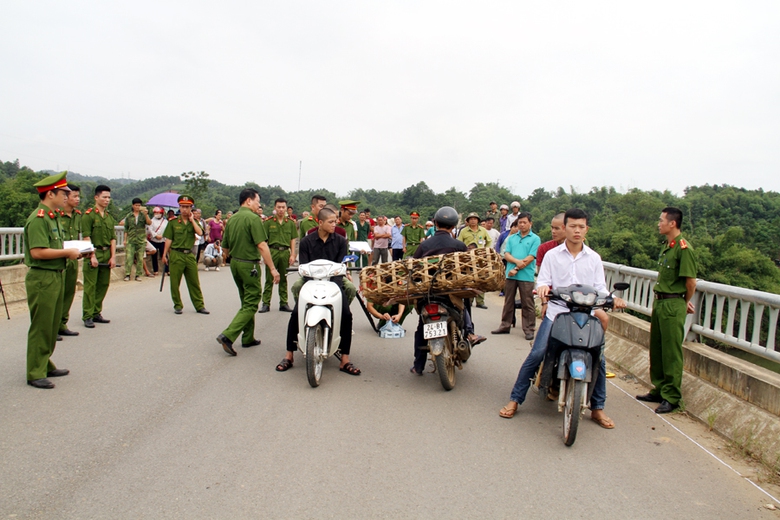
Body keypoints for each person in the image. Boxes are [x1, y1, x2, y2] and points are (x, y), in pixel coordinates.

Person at [498, 208, 625, 430]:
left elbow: (600, 289)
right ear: (565, 228)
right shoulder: (551, 256)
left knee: (599, 358)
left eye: (581, 226)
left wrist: (613, 300)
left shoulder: (594, 258)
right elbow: (542, 281)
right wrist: (544, 288)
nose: (577, 231)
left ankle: (598, 408)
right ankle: (515, 399)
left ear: (587, 229)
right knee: (537, 353)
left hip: (587, 315)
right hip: (558, 312)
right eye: (573, 226)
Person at [276, 207, 360, 375]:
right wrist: (313, 282)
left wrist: (335, 285)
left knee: (347, 314)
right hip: (311, 280)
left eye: (335, 221)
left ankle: (345, 359)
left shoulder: (340, 241)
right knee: (295, 312)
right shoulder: (307, 242)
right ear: (320, 223)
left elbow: (340, 268)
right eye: (331, 222)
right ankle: (289, 354)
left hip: (334, 280)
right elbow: (304, 267)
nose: (334, 225)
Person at [410, 206, 486, 375]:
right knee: (465, 302)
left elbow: (414, 268)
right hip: (450, 292)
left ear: (435, 223)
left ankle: (418, 365)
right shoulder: (459, 245)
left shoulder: (425, 245)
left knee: (421, 327)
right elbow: (467, 269)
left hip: (428, 294)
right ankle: (469, 332)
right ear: (453, 226)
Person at [637, 207, 698, 414]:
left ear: (672, 223)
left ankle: (671, 396)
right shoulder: (668, 247)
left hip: (673, 304)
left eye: (661, 220)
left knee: (671, 351)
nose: (659, 223)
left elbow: (690, 282)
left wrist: (683, 301)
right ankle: (660, 388)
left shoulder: (683, 249)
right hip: (661, 301)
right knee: (657, 347)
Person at [24, 172, 81, 388]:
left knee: (51, 324)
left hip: (55, 275)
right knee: (41, 325)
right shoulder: (39, 218)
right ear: (50, 194)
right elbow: (37, 252)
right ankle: (35, 372)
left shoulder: (52, 216)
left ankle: (44, 364)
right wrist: (67, 253)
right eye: (63, 193)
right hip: (42, 277)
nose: (67, 197)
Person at [216, 188, 279, 355]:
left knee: (246, 301)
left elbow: (225, 247)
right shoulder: (253, 218)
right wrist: (272, 268)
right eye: (257, 201)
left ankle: (248, 337)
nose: (259, 204)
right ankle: (228, 335)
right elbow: (262, 245)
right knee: (252, 302)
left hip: (236, 263)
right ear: (249, 200)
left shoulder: (232, 218)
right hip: (249, 265)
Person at [492, 212, 539, 340]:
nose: (522, 225)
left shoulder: (535, 238)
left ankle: (529, 328)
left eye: (525, 222)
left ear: (530, 223)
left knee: (527, 303)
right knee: (508, 301)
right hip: (511, 274)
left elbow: (531, 257)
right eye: (520, 223)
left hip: (526, 275)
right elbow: (506, 254)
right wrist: (517, 262)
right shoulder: (512, 238)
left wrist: (517, 267)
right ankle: (505, 325)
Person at [162, 195, 210, 315]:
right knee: (175, 282)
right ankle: (177, 305)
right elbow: (168, 239)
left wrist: (192, 220)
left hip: (189, 254)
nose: (185, 209)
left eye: (187, 207)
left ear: (191, 208)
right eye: (182, 207)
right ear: (179, 207)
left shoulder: (193, 222)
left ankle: (199, 305)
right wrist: (164, 255)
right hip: (176, 253)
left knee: (194, 281)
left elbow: (200, 233)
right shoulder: (173, 222)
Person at [81, 184, 116, 328]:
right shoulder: (89, 215)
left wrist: (113, 256)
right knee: (91, 286)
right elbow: (86, 237)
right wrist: (92, 256)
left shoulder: (109, 217)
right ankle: (87, 315)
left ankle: (96, 312)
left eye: (109, 197)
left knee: (103, 284)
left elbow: (113, 238)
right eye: (104, 197)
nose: (107, 200)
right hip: (93, 253)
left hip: (106, 253)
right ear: (96, 197)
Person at [260, 198, 296, 313]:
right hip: (272, 251)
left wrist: (293, 254)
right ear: (275, 208)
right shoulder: (268, 222)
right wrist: (265, 256)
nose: (281, 209)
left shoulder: (290, 223)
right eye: (279, 207)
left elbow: (293, 239)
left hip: (285, 252)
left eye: (283, 207)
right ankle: (266, 303)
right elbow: (264, 241)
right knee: (269, 278)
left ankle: (284, 303)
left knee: (284, 278)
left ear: (286, 208)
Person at [57, 184, 82, 338]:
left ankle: (62, 323)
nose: (77, 199)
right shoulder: (56, 215)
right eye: (74, 196)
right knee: (57, 294)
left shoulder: (78, 216)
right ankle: (52, 325)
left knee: (69, 292)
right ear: (66, 198)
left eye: (79, 196)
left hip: (72, 260)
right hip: (59, 260)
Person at [458, 212, 492, 309]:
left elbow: (489, 241)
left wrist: (486, 250)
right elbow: (459, 243)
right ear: (468, 221)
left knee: (481, 279)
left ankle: (480, 301)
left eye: (475, 219)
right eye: (471, 219)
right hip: (467, 258)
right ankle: (469, 300)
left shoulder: (483, 230)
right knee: (469, 278)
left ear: (478, 220)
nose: (473, 220)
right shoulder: (464, 231)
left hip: (480, 258)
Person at [122, 198, 151, 282]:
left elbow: (149, 223)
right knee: (129, 257)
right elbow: (126, 228)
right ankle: (127, 274)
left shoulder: (143, 215)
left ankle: (138, 274)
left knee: (140, 258)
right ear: (133, 206)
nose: (137, 207)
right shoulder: (129, 216)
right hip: (131, 239)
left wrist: (146, 215)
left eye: (139, 205)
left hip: (141, 239)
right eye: (136, 205)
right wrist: (125, 239)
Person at [147, 207, 167, 275]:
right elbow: (150, 229)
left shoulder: (165, 221)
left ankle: (167, 270)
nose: (157, 214)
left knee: (164, 255)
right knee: (154, 256)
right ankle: (155, 270)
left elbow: (167, 230)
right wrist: (155, 235)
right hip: (154, 240)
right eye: (156, 213)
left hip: (162, 240)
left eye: (158, 213)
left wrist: (162, 236)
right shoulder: (151, 221)